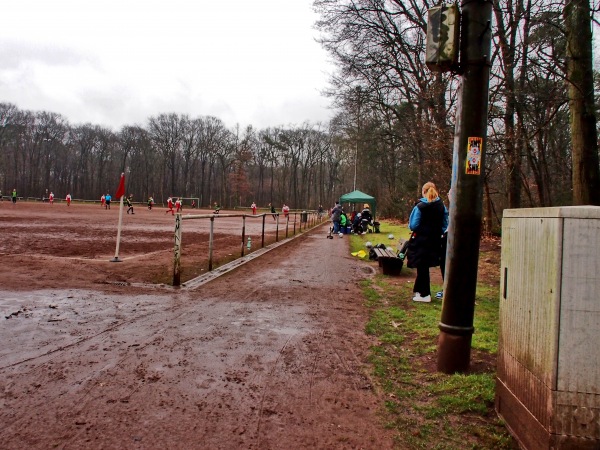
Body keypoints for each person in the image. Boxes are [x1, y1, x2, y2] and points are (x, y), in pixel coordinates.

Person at [406, 182, 449, 303]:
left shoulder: (420, 207)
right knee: (424, 266)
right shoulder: (442, 206)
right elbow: (445, 225)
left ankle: (425, 294)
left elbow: (413, 225)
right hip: (435, 241)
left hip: (420, 240)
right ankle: (421, 292)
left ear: (423, 192)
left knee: (422, 267)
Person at [437, 189, 451, 299]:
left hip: (450, 238)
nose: (448, 195)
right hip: (446, 236)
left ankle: (448, 289)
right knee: (444, 263)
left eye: (450, 193)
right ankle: (446, 288)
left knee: (446, 264)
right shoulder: (448, 208)